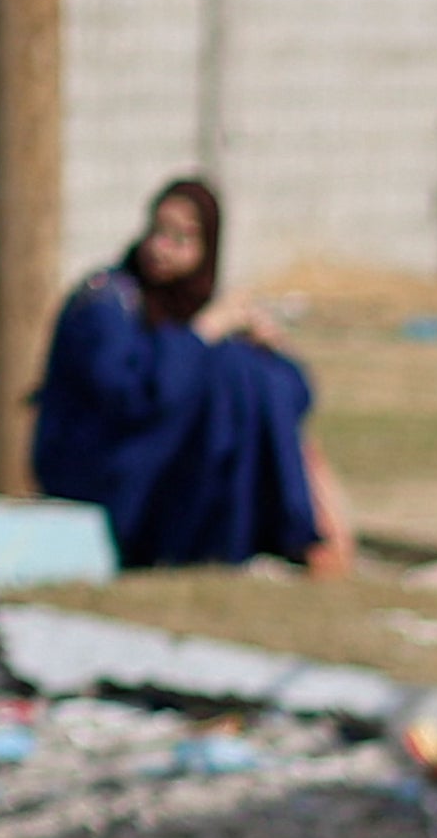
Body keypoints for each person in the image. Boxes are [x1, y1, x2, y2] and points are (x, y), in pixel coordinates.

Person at [26, 177, 355, 573]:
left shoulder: (193, 306)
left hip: (161, 465)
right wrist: (202, 335)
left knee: (246, 371)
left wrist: (273, 347)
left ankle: (283, 537)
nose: (161, 249)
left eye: (181, 238)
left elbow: (293, 399)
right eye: (158, 232)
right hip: (102, 467)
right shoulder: (107, 302)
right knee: (227, 373)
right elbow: (135, 397)